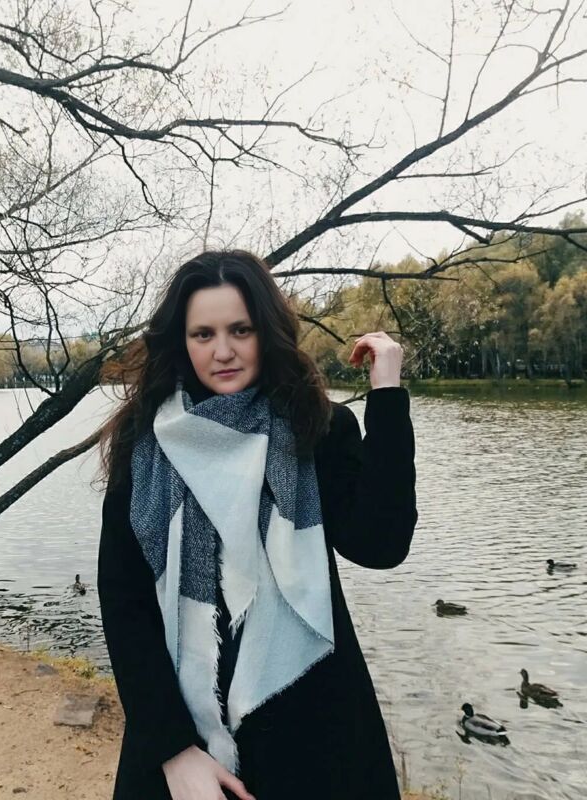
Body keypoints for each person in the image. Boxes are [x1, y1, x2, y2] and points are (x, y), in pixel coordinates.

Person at [97, 249, 418, 800]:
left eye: (240, 330)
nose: (223, 351)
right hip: (185, 735)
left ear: (265, 332)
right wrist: (173, 750)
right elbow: (124, 602)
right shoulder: (145, 446)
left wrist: (386, 396)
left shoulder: (316, 427)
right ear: (182, 342)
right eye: (203, 334)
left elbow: (381, 543)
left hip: (315, 730)